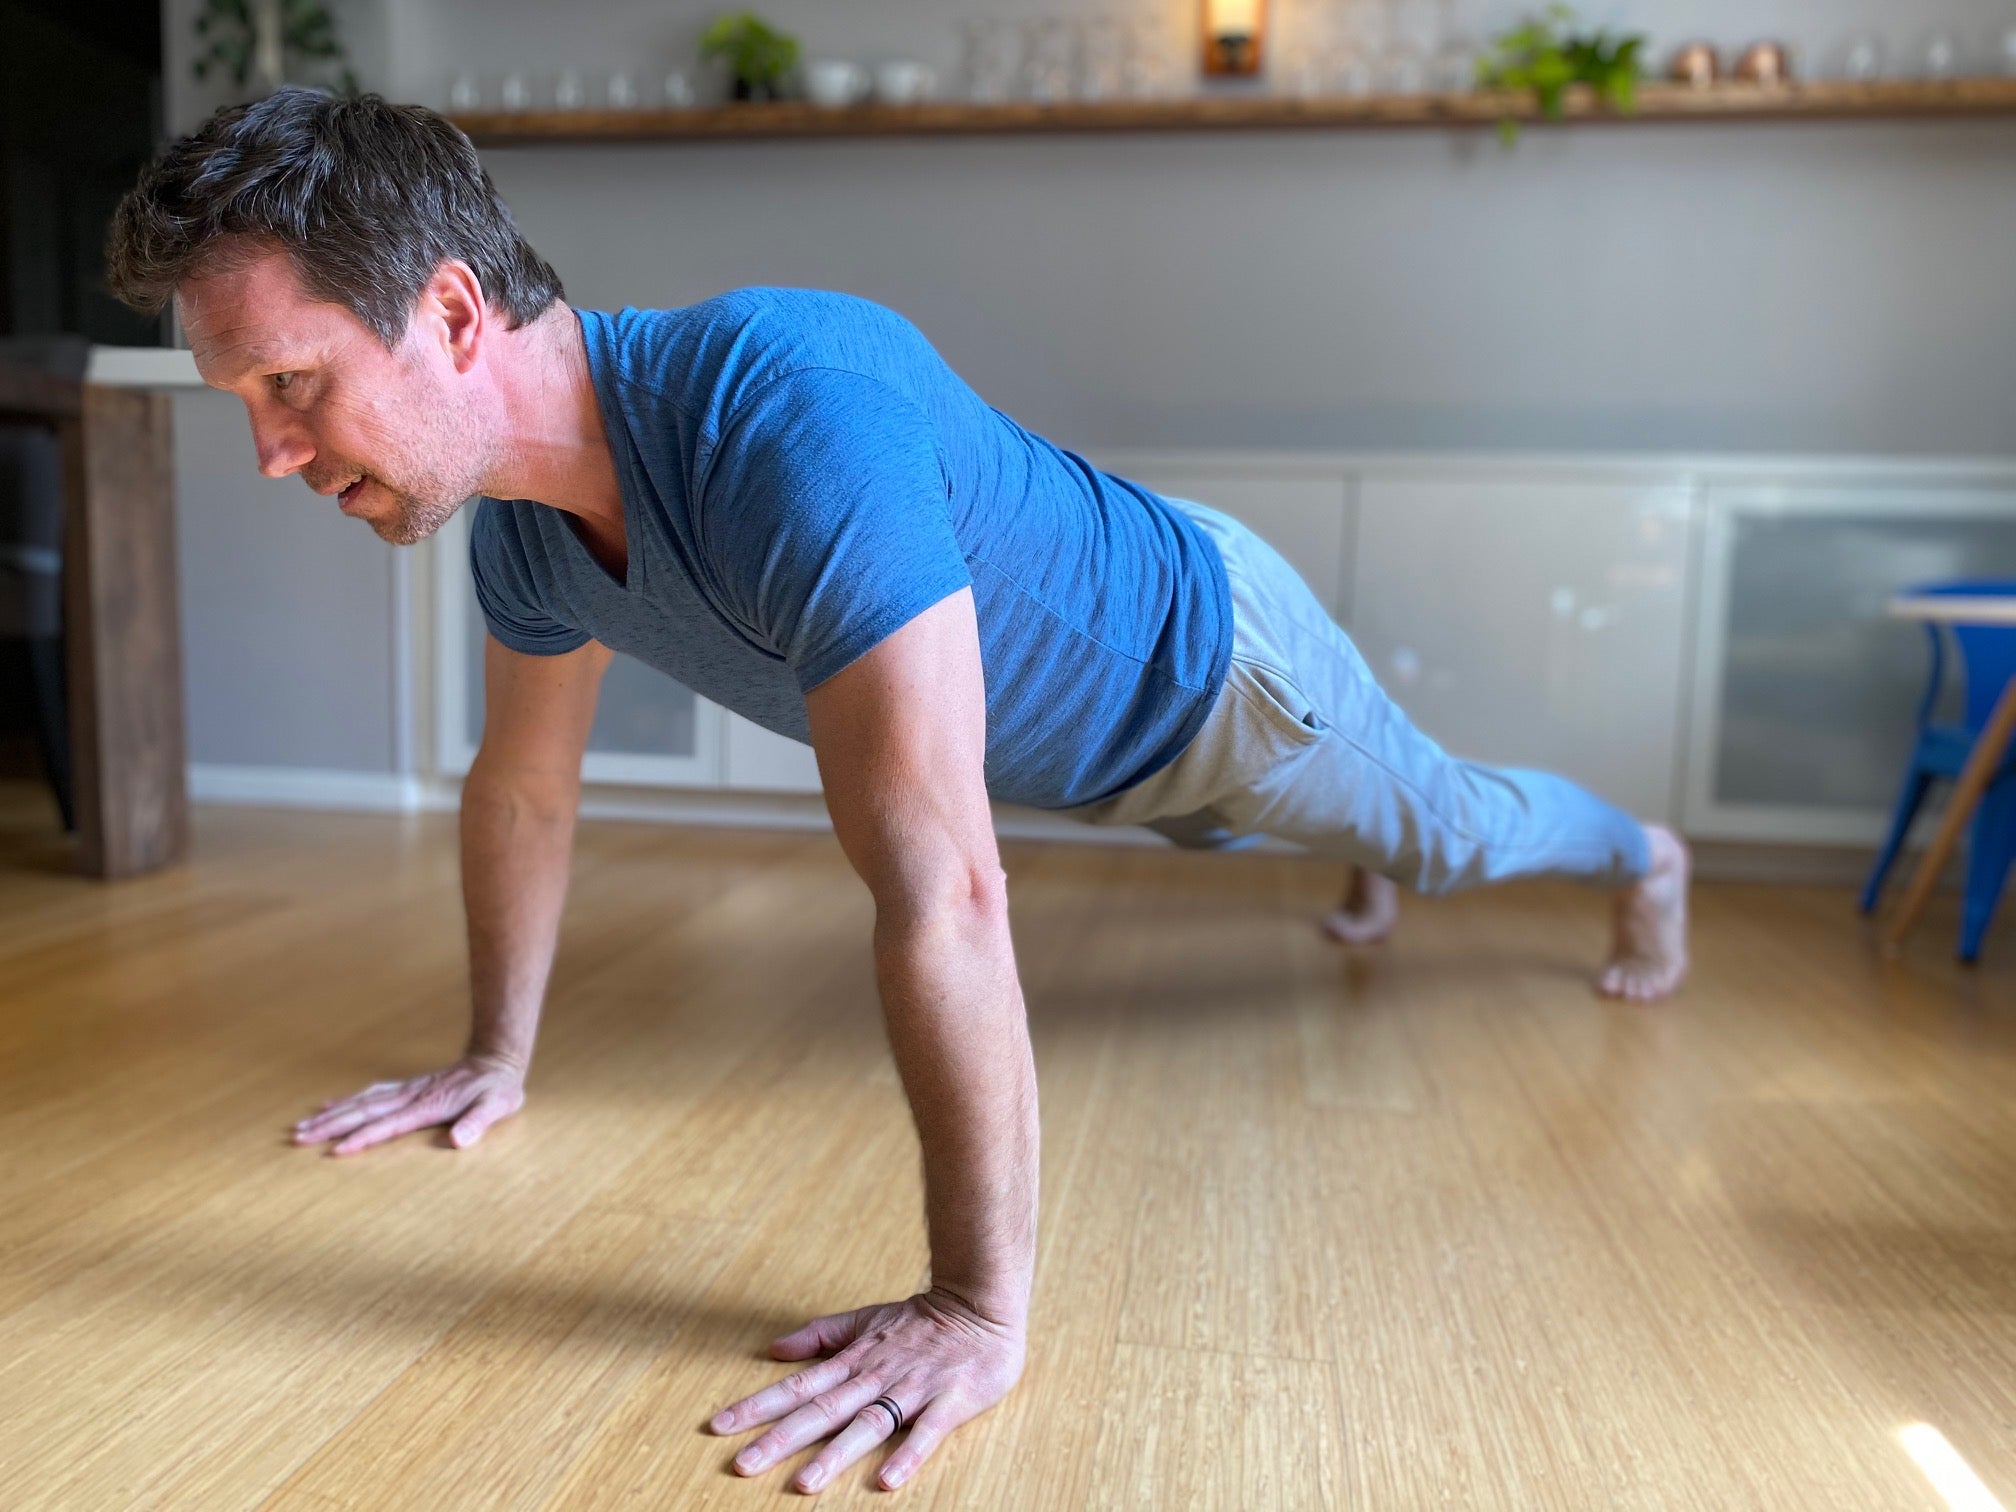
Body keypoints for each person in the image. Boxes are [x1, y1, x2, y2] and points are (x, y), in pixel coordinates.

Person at [107, 88, 1689, 1496]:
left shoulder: (785, 405)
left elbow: (947, 886)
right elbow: (522, 791)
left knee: (1452, 828)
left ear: (453, 314)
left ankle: (1643, 855)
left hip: (1221, 686)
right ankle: (1357, 864)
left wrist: (976, 1310)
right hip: (1096, 739)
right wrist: (492, 1056)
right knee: (1316, 838)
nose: (269, 450)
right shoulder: (526, 540)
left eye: (291, 384)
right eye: (246, 400)